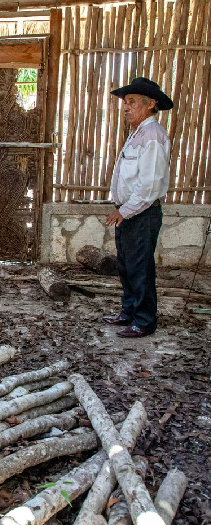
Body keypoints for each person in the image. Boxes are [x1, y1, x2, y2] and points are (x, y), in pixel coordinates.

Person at [103, 77, 173, 338]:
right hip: (131, 212)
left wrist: (125, 210)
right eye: (125, 102)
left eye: (132, 102)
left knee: (140, 267)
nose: (126, 107)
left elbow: (150, 185)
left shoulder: (153, 136)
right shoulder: (139, 133)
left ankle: (144, 320)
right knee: (127, 265)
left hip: (141, 213)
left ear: (151, 103)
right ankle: (130, 311)